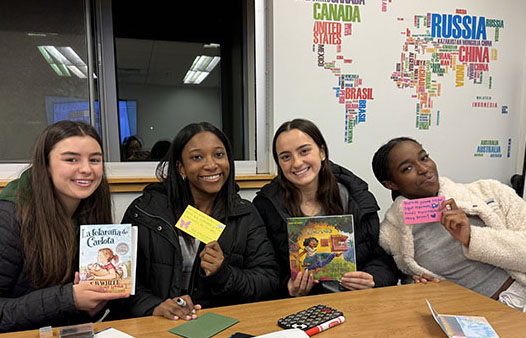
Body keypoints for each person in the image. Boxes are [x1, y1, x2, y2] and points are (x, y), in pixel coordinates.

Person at [121, 122, 279, 320]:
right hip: (156, 325)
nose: (211, 164)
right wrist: (155, 306)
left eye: (219, 155)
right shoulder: (145, 212)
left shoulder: (245, 214)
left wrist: (224, 274)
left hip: (218, 323)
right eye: (197, 157)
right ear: (181, 168)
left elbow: (269, 282)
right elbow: (120, 282)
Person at [0, 120, 129, 332]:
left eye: (95, 160)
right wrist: (69, 299)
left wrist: (93, 304)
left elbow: (71, 313)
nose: (87, 169)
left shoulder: (92, 209)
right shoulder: (8, 218)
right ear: (46, 166)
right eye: (71, 159)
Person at [372, 137, 526, 311]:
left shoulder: (490, 191)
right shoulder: (390, 234)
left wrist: (472, 237)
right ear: (390, 184)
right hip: (469, 319)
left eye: (424, 158)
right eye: (408, 168)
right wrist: (418, 284)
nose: (424, 169)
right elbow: (408, 280)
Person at [253, 119, 399, 298]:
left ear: (322, 152)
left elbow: (383, 258)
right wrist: (287, 287)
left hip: (354, 301)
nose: (297, 163)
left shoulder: (356, 198)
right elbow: (262, 271)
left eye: (304, 151)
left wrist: (372, 278)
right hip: (298, 307)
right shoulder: (265, 207)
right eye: (286, 157)